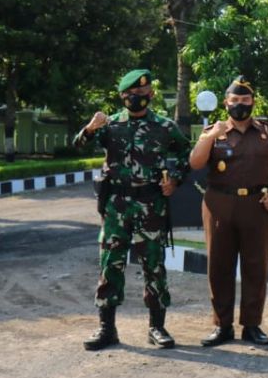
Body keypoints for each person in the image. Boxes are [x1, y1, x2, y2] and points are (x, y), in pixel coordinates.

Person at [75, 69, 190, 351]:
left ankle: (157, 327)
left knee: (154, 266)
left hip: (151, 205)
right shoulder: (110, 125)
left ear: (150, 95)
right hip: (116, 206)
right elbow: (77, 146)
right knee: (110, 264)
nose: (137, 99)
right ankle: (106, 328)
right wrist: (90, 128)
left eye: (142, 94)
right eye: (131, 95)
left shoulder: (164, 127)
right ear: (122, 96)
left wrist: (174, 179)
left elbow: (187, 153)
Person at [189, 75, 268, 347]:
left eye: (245, 100)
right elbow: (196, 162)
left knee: (255, 267)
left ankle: (252, 325)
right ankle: (222, 326)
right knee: (219, 266)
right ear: (226, 103)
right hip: (219, 207)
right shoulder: (214, 131)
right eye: (234, 100)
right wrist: (209, 137)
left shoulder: (266, 134)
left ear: (253, 102)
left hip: (256, 207)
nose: (240, 104)